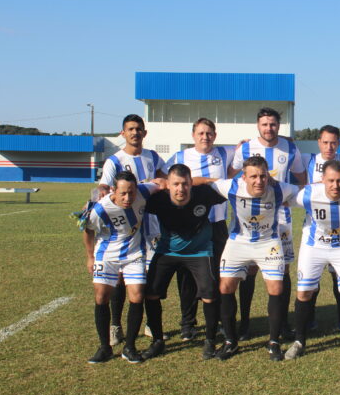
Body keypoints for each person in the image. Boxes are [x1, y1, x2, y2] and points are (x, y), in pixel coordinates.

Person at [203, 155, 299, 361]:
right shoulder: (232, 186)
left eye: (263, 176)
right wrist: (166, 182)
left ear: (268, 176)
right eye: (253, 176)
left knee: (276, 288)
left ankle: (274, 341)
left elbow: (307, 190)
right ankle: (231, 341)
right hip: (239, 242)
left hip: (268, 243)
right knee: (226, 287)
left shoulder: (281, 189)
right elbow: (206, 182)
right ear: (244, 177)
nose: (259, 181)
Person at [231, 108, 307, 341]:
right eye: (264, 124)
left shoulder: (290, 149)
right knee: (249, 270)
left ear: (278, 126)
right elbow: (233, 177)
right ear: (258, 125)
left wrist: (286, 197)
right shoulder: (244, 149)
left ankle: (282, 323)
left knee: (282, 270)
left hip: (281, 221)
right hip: (249, 220)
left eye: (273, 124)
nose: (268, 128)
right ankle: (244, 323)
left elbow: (302, 181)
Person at [284, 160, 340, 360]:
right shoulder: (309, 193)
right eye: (330, 180)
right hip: (314, 246)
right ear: (322, 180)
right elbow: (281, 197)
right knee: (304, 292)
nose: (335, 185)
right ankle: (299, 341)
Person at [141, 164, 228, 361]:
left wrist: (205, 180)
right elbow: (132, 194)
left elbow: (229, 187)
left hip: (200, 252)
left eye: (185, 184)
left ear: (192, 184)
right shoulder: (158, 199)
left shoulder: (204, 194)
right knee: (151, 293)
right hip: (167, 251)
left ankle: (210, 341)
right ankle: (157, 341)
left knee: (210, 294)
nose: (181, 189)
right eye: (176, 184)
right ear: (168, 185)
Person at [164, 118, 237, 340]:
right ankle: (188, 323)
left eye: (209, 133)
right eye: (201, 133)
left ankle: (217, 322)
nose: (205, 137)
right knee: (186, 277)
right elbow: (168, 180)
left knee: (217, 275)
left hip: (216, 225)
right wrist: (207, 180)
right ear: (193, 135)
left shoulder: (226, 154)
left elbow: (250, 146)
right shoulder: (180, 157)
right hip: (189, 226)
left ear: (215, 135)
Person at [98, 114, 165, 347]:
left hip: (151, 227)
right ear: (123, 133)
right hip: (124, 230)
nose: (135, 133)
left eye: (138, 129)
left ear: (144, 133)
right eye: (130, 129)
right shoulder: (114, 161)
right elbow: (104, 190)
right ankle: (115, 326)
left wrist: (156, 181)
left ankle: (148, 324)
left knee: (147, 277)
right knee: (118, 279)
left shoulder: (154, 157)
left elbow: (165, 181)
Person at [83, 171, 161, 363]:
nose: (128, 198)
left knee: (137, 296)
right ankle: (105, 347)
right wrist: (90, 257)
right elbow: (87, 230)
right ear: (114, 190)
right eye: (123, 193)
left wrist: (161, 182)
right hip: (106, 255)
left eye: (131, 193)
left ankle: (130, 347)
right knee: (101, 297)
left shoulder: (143, 192)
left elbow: (160, 184)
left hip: (134, 255)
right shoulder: (100, 208)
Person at [300, 125, 340, 334]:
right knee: (311, 277)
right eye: (325, 142)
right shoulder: (307, 160)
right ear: (318, 142)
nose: (329, 146)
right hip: (313, 229)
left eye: (333, 142)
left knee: (338, 277)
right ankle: (309, 318)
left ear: (339, 143)